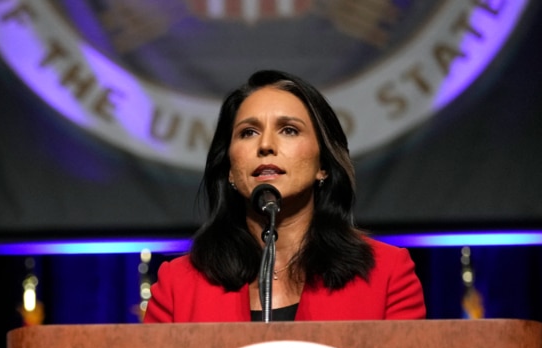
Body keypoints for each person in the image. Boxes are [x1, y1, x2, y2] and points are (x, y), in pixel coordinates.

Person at [144, 70, 426, 323]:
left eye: (289, 130)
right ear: (229, 170)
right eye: (248, 132)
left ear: (323, 166)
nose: (266, 145)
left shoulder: (387, 274)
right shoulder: (177, 285)